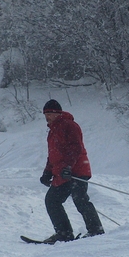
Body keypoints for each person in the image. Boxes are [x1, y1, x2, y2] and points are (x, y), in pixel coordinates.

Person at [39, 99, 104, 243]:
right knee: (52, 200)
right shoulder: (52, 132)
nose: (47, 117)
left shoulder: (70, 126)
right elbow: (53, 155)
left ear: (57, 113)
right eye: (45, 114)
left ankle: (96, 230)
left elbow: (75, 148)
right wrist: (47, 172)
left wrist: (68, 167)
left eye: (49, 113)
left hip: (76, 171)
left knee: (80, 199)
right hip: (62, 173)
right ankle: (64, 234)